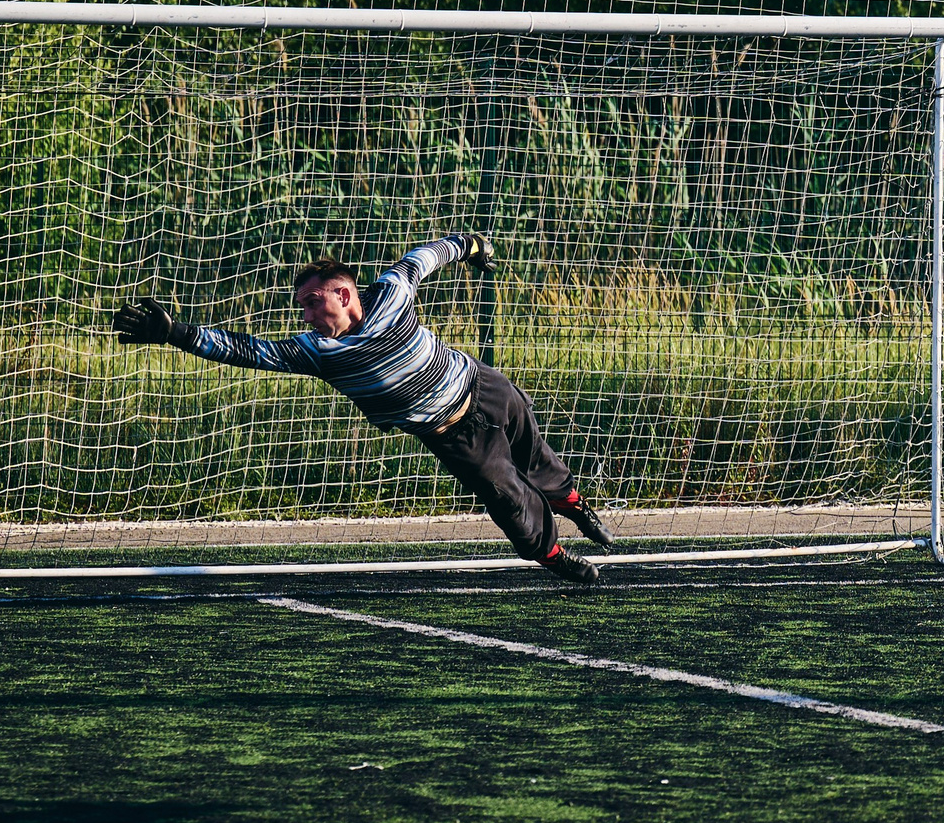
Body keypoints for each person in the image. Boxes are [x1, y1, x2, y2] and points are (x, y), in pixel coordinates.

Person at [112, 236, 612, 586]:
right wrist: (176, 333)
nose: (305, 314)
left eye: (312, 303)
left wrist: (473, 246)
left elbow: (426, 256)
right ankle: (554, 556)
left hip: (483, 386)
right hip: (451, 433)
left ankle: (577, 508)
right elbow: (244, 348)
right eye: (302, 306)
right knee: (508, 500)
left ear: (345, 294)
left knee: (540, 463)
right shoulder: (315, 351)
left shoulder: (392, 293)